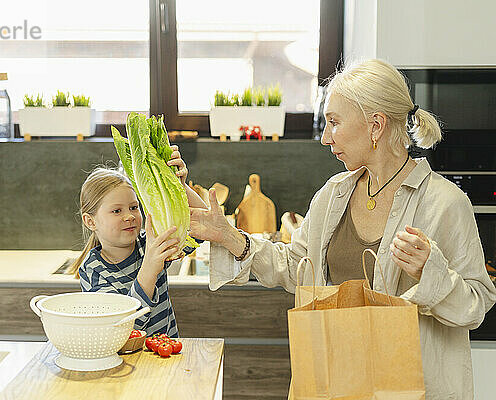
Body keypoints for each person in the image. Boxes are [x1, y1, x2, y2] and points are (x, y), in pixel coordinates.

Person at [189, 59, 496, 399]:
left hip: (412, 388)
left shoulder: (445, 203)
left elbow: (477, 304)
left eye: (334, 122)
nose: (325, 138)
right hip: (334, 380)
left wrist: (431, 271)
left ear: (375, 125)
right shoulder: (334, 193)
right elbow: (295, 267)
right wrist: (228, 236)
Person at [67, 145, 207, 337]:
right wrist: (150, 266)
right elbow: (124, 329)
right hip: (127, 364)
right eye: (117, 211)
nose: (130, 216)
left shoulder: (148, 244)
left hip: (165, 355)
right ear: (90, 221)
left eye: (134, 207)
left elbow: (203, 227)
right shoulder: (93, 271)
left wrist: (179, 186)